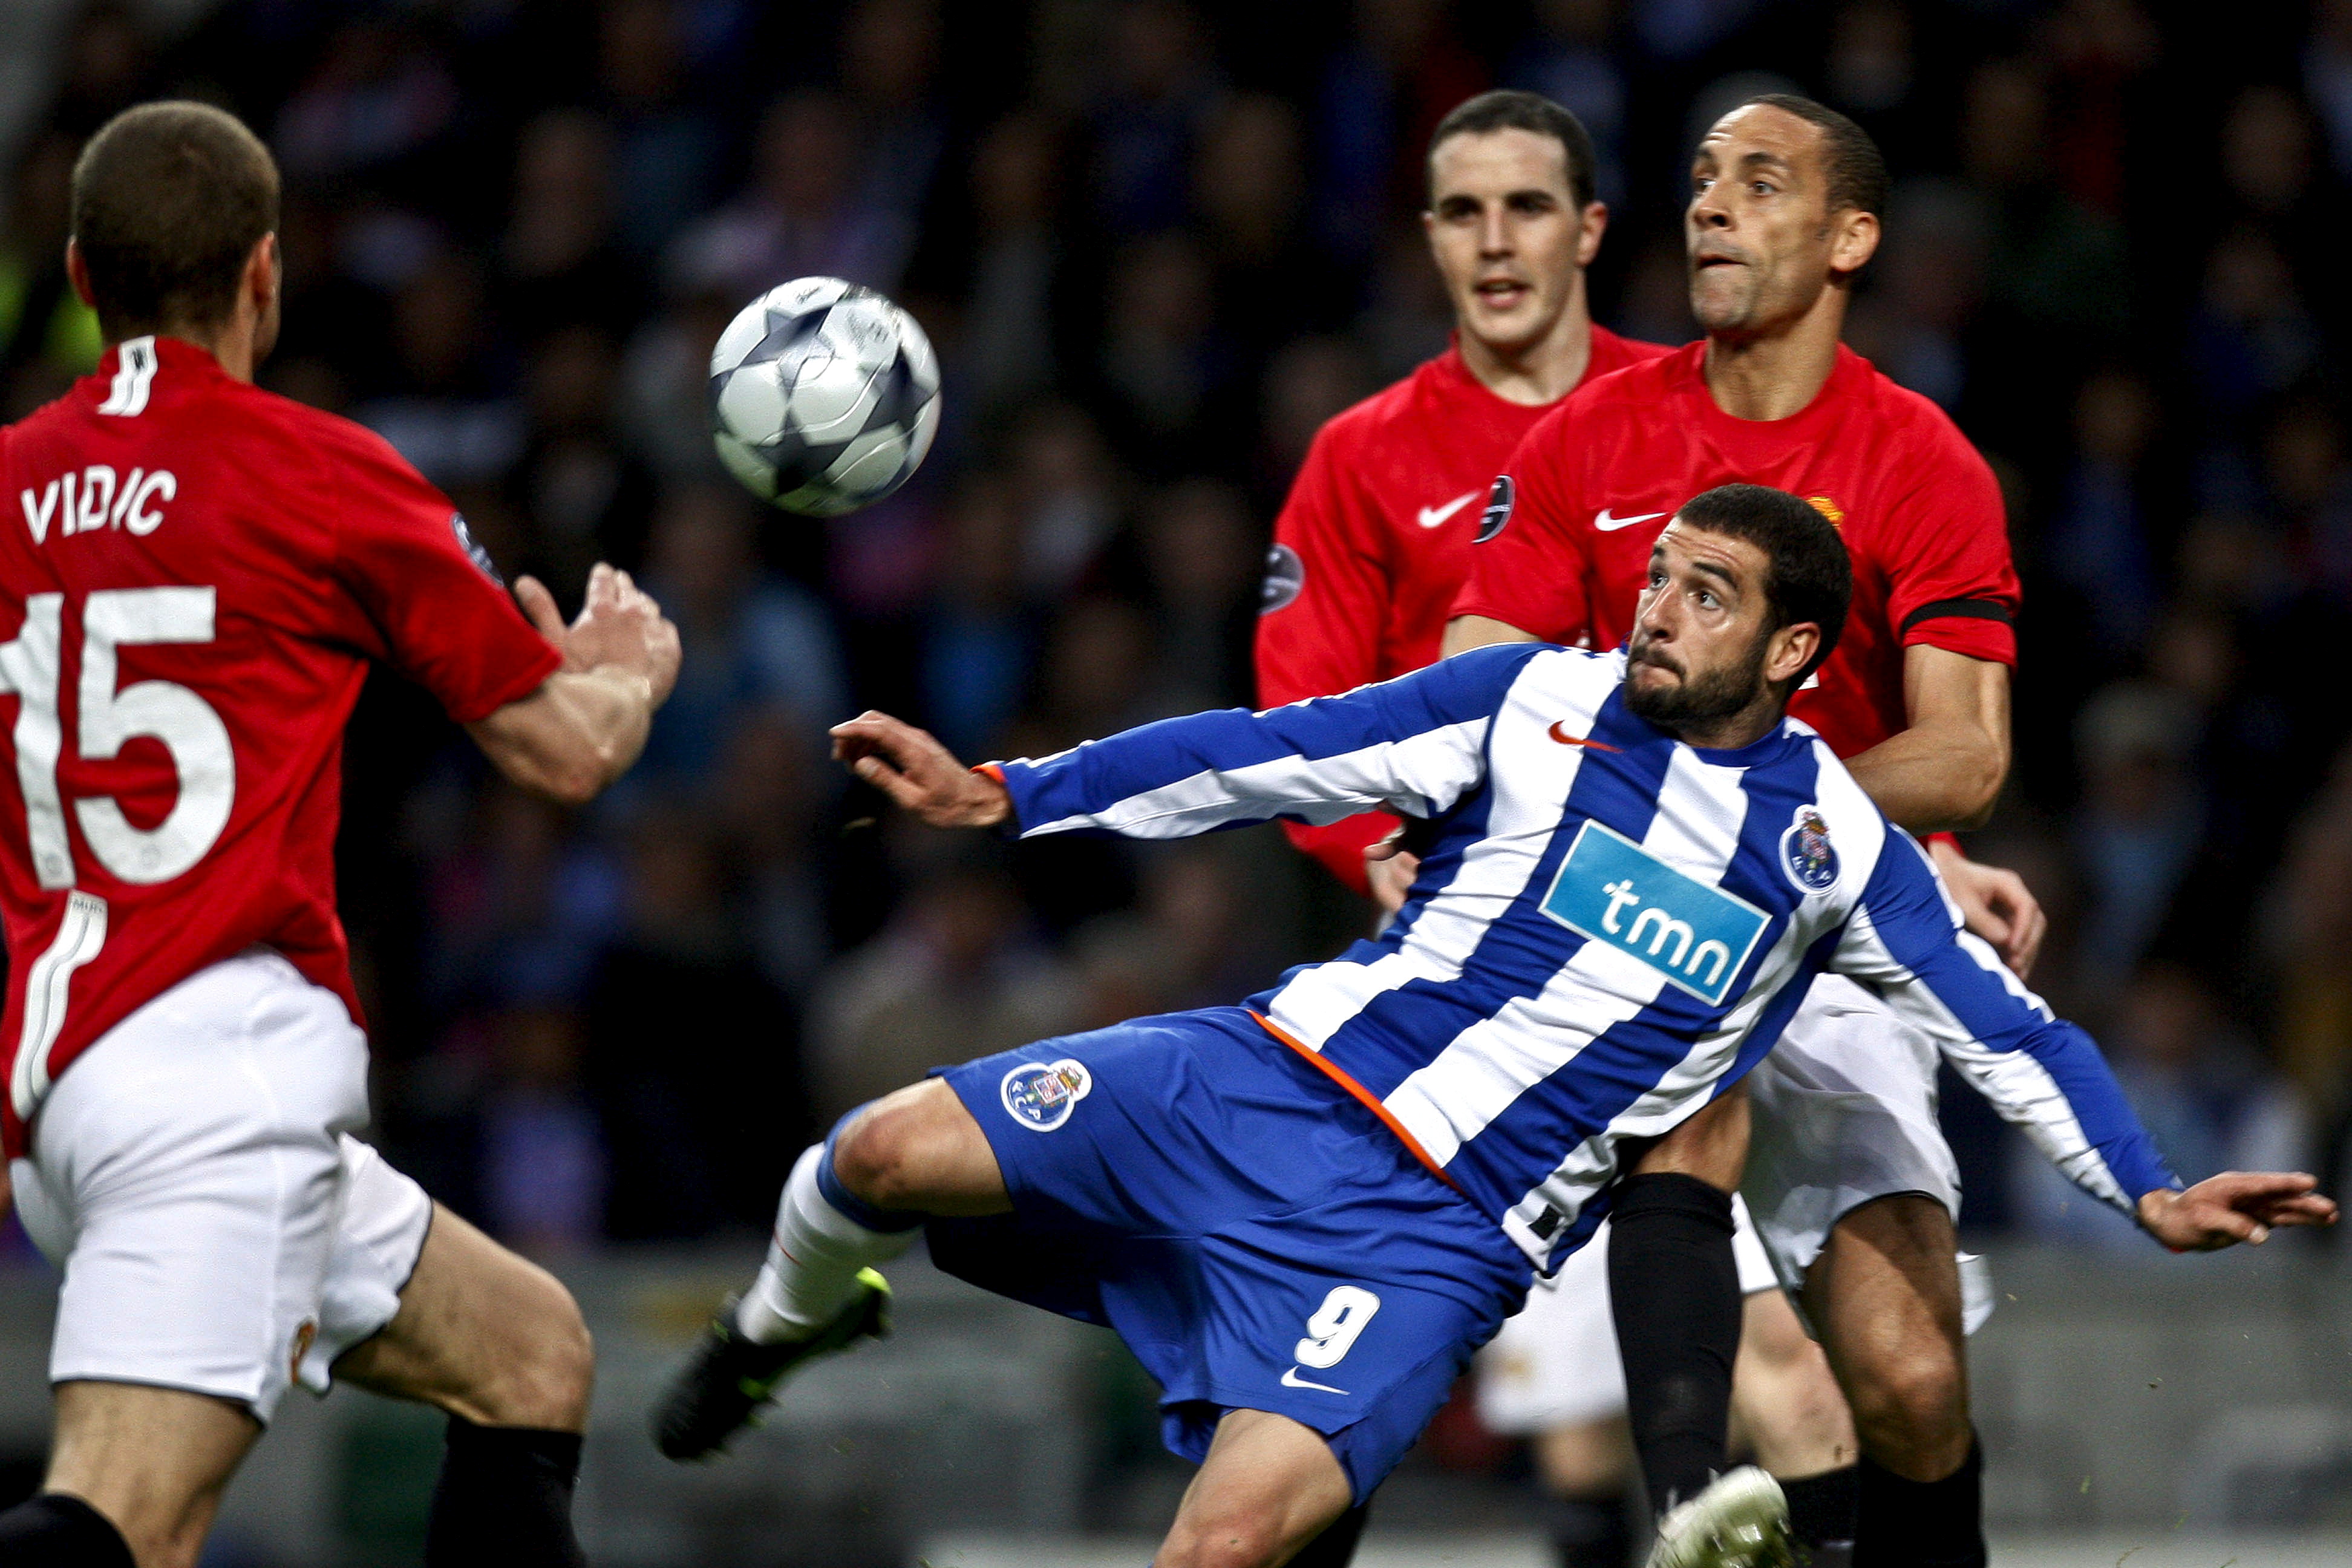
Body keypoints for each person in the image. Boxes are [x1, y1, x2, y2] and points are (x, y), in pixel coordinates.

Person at [652, 483, 2330, 1568]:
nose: (1659, 608)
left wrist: (2147, 1186)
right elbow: (1259, 750)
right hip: (1260, 1074)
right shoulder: (1530, 698)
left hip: (1427, 1236)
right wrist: (1006, 794)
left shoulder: (1836, 854)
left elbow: (2010, 1033)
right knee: (872, 1149)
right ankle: (786, 1322)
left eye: (1706, 594)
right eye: (1660, 575)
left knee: (1218, 1555)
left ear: (1798, 649)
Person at [0, 103, 680, 1568]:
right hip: (213, 1075)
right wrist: (624, 658)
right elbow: (569, 752)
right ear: (264, 275)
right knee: (120, 1525)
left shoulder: (4, 489)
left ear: (76, 277)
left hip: (59, 1097)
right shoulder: (318, 473)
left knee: (526, 1356)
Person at [1255, 88, 1854, 1567]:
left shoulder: (1696, 414)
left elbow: (1811, 671)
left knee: (1771, 1361)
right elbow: (1301, 711)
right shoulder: (1360, 458)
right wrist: (1378, 852)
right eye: (1462, 211)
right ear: (1430, 240)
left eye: (1528, 206)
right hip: (1450, 954)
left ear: (1589, 230)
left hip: (1681, 947)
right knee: (1409, 1368)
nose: (1496, 241)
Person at [1442, 94, 2036, 1567]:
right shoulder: (1592, 436)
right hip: (1616, 921)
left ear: (1850, 239)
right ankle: (1693, 1515)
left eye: (1758, 184)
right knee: (1677, 1101)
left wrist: (1756, 808)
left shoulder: (1922, 459)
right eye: (1702, 177)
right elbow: (1472, 679)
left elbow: (1965, 755)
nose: (1709, 205)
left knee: (1903, 1383)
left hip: (1829, 931)